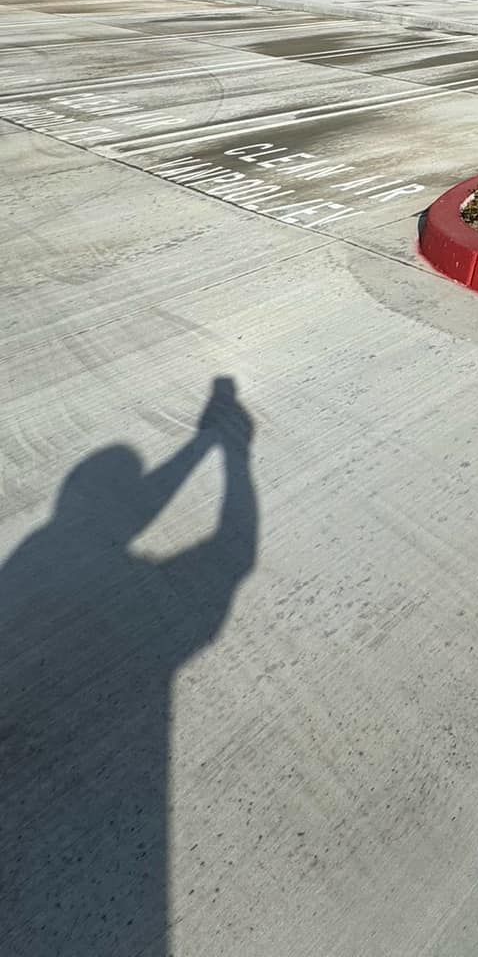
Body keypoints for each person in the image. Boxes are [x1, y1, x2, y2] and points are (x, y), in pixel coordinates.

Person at [0, 376, 257, 956]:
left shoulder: (37, 554)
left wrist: (206, 448)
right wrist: (232, 457)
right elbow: (232, 559)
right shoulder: (59, 556)